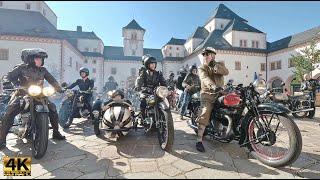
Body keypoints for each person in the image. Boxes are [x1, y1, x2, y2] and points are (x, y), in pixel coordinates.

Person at [0, 48, 66, 149]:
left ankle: (56, 132)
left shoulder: (43, 70)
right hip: (22, 93)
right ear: (30, 59)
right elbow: (7, 76)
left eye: (41, 59)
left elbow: (52, 80)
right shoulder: (21, 68)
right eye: (38, 58)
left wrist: (59, 88)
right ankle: (2, 139)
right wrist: (7, 83)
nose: (40, 61)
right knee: (10, 112)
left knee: (52, 108)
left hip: (39, 95)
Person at [196, 47, 229, 152]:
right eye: (204, 55)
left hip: (220, 93)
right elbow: (204, 78)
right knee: (205, 112)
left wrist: (214, 65)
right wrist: (213, 86)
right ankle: (199, 140)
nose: (205, 56)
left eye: (207, 54)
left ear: (213, 55)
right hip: (208, 94)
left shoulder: (220, 64)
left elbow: (226, 72)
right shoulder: (202, 67)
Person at [135, 54, 167, 122]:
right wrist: (138, 86)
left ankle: (164, 118)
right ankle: (143, 118)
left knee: (163, 100)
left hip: (156, 92)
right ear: (147, 64)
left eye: (154, 63)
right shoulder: (143, 73)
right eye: (151, 63)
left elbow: (163, 82)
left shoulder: (158, 73)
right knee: (143, 102)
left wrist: (166, 88)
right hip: (146, 92)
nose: (153, 65)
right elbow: (139, 80)